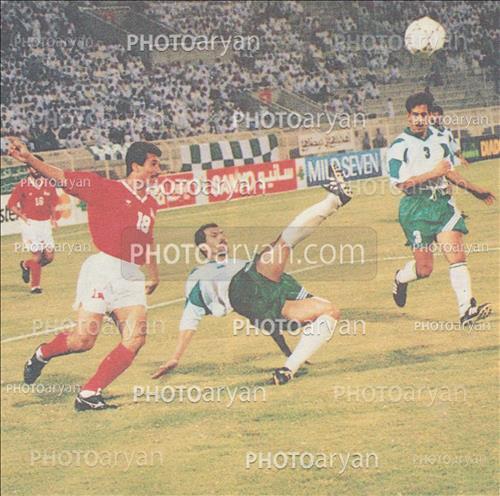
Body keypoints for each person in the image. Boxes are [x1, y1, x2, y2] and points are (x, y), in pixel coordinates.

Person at [152, 167, 353, 385]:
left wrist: (287, 351)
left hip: (261, 304)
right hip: (242, 289)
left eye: (222, 233)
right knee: (281, 244)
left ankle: (288, 369)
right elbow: (190, 318)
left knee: (330, 311)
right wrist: (175, 357)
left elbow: (263, 316)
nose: (222, 237)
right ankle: (334, 200)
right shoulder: (198, 276)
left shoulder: (239, 264)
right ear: (202, 246)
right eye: (214, 235)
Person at [8, 137, 162, 411]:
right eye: (153, 164)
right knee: (83, 340)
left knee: (136, 338)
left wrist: (154, 274)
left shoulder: (150, 203)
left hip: (131, 275)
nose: (158, 170)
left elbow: (146, 241)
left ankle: (89, 393)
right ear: (136, 166)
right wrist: (30, 158)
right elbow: (62, 177)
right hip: (103, 269)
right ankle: (42, 353)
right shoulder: (104, 188)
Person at [388, 93, 495, 326]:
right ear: (408, 117)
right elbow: (402, 184)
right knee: (424, 269)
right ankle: (401, 278)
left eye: (423, 114)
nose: (419, 119)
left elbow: (448, 172)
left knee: (457, 256)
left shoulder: (440, 139)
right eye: (415, 115)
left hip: (442, 204)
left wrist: (474, 190)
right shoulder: (399, 146)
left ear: (429, 116)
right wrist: (433, 173)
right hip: (415, 209)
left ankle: (466, 310)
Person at [7, 155, 58, 294]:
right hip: (30, 224)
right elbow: (11, 205)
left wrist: (54, 219)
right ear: (28, 169)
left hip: (45, 224)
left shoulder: (49, 184)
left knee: (49, 257)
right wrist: (22, 216)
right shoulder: (22, 185)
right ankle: (35, 286)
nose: (35, 170)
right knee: (37, 255)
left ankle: (26, 265)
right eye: (32, 167)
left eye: (37, 166)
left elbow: (52, 203)